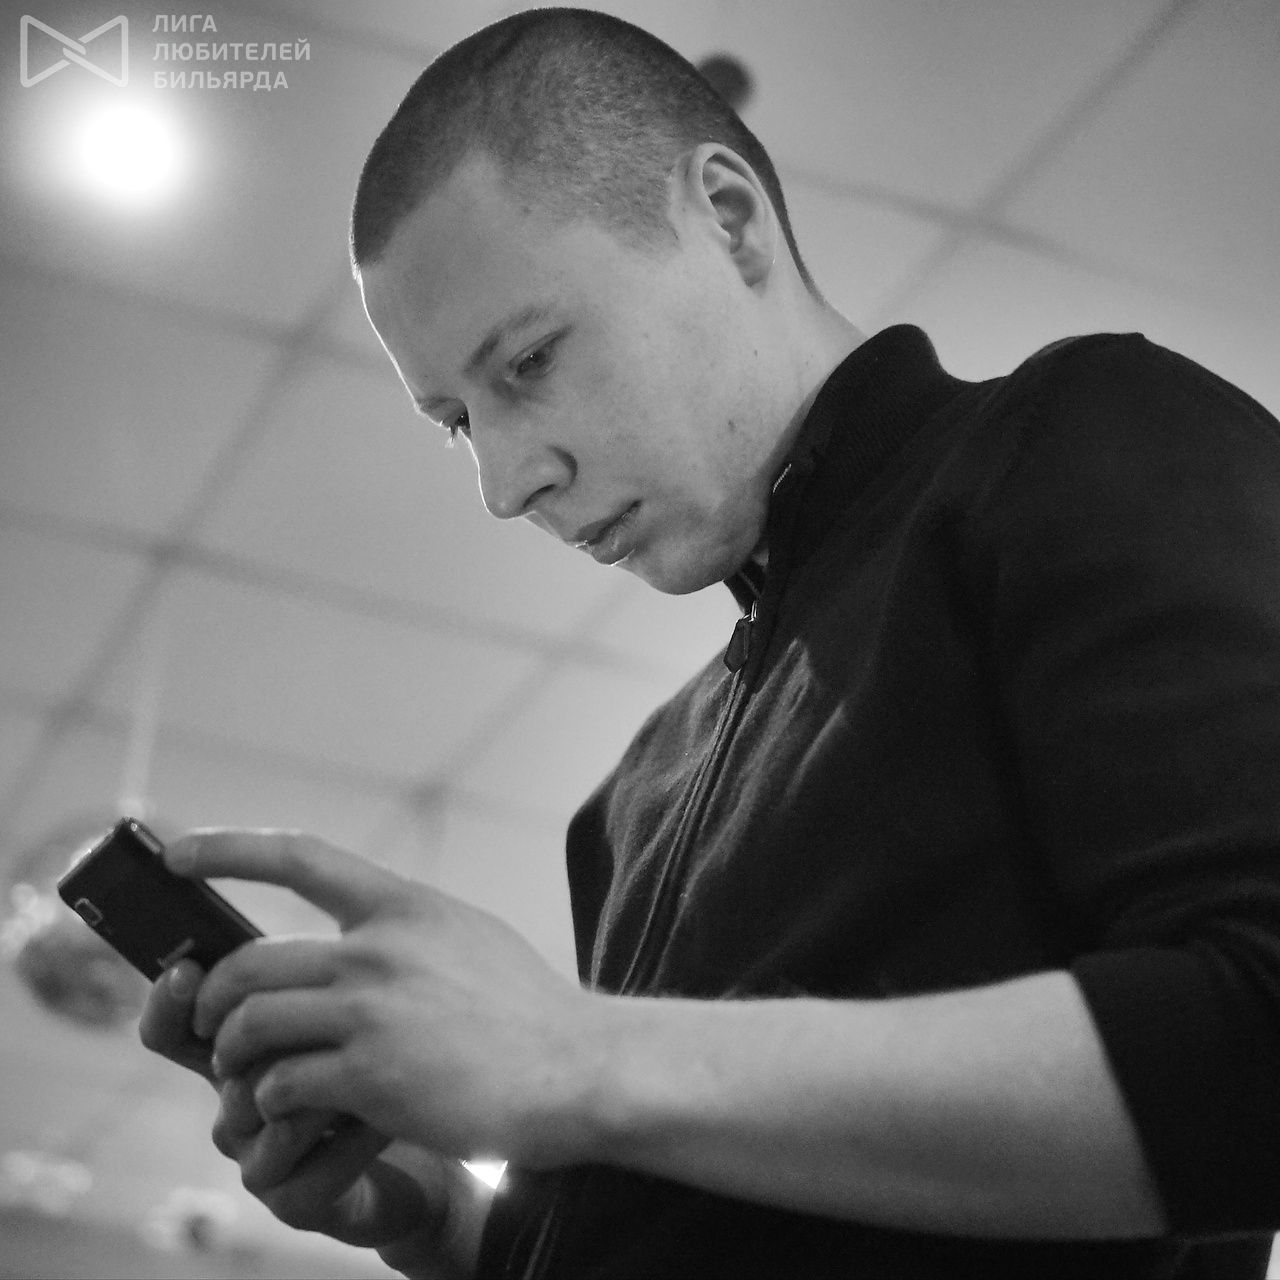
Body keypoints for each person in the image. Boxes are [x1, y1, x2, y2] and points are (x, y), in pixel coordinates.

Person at [140, 8, 1280, 1278]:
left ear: (729, 220)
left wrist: (575, 1054)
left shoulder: (1074, 438)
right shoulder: (631, 798)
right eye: (457, 420)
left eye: (529, 360)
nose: (506, 482)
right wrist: (449, 1222)